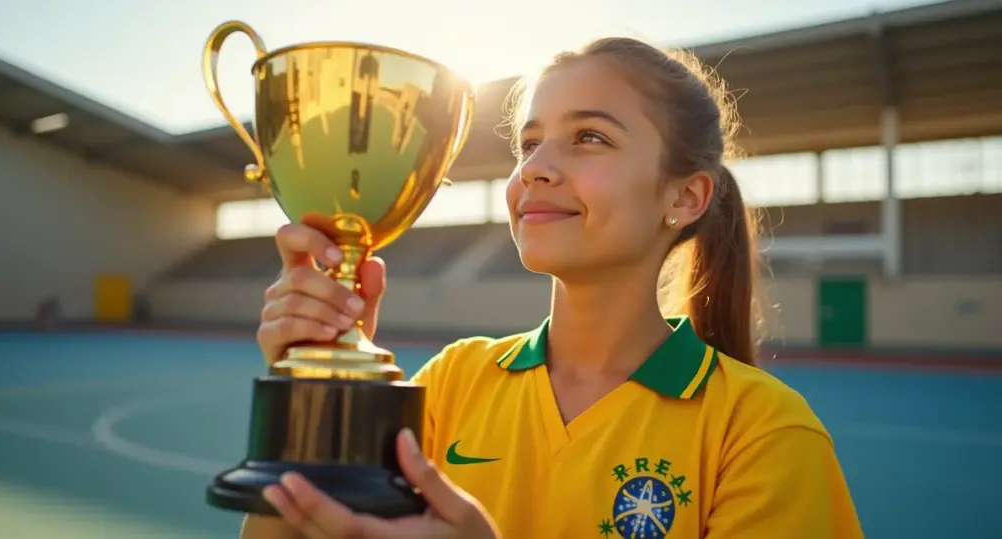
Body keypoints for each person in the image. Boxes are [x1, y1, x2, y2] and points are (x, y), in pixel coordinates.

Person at [242, 36, 865, 539]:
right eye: (530, 143)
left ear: (684, 197)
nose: (535, 168)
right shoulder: (453, 382)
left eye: (590, 137)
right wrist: (308, 391)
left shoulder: (762, 432)